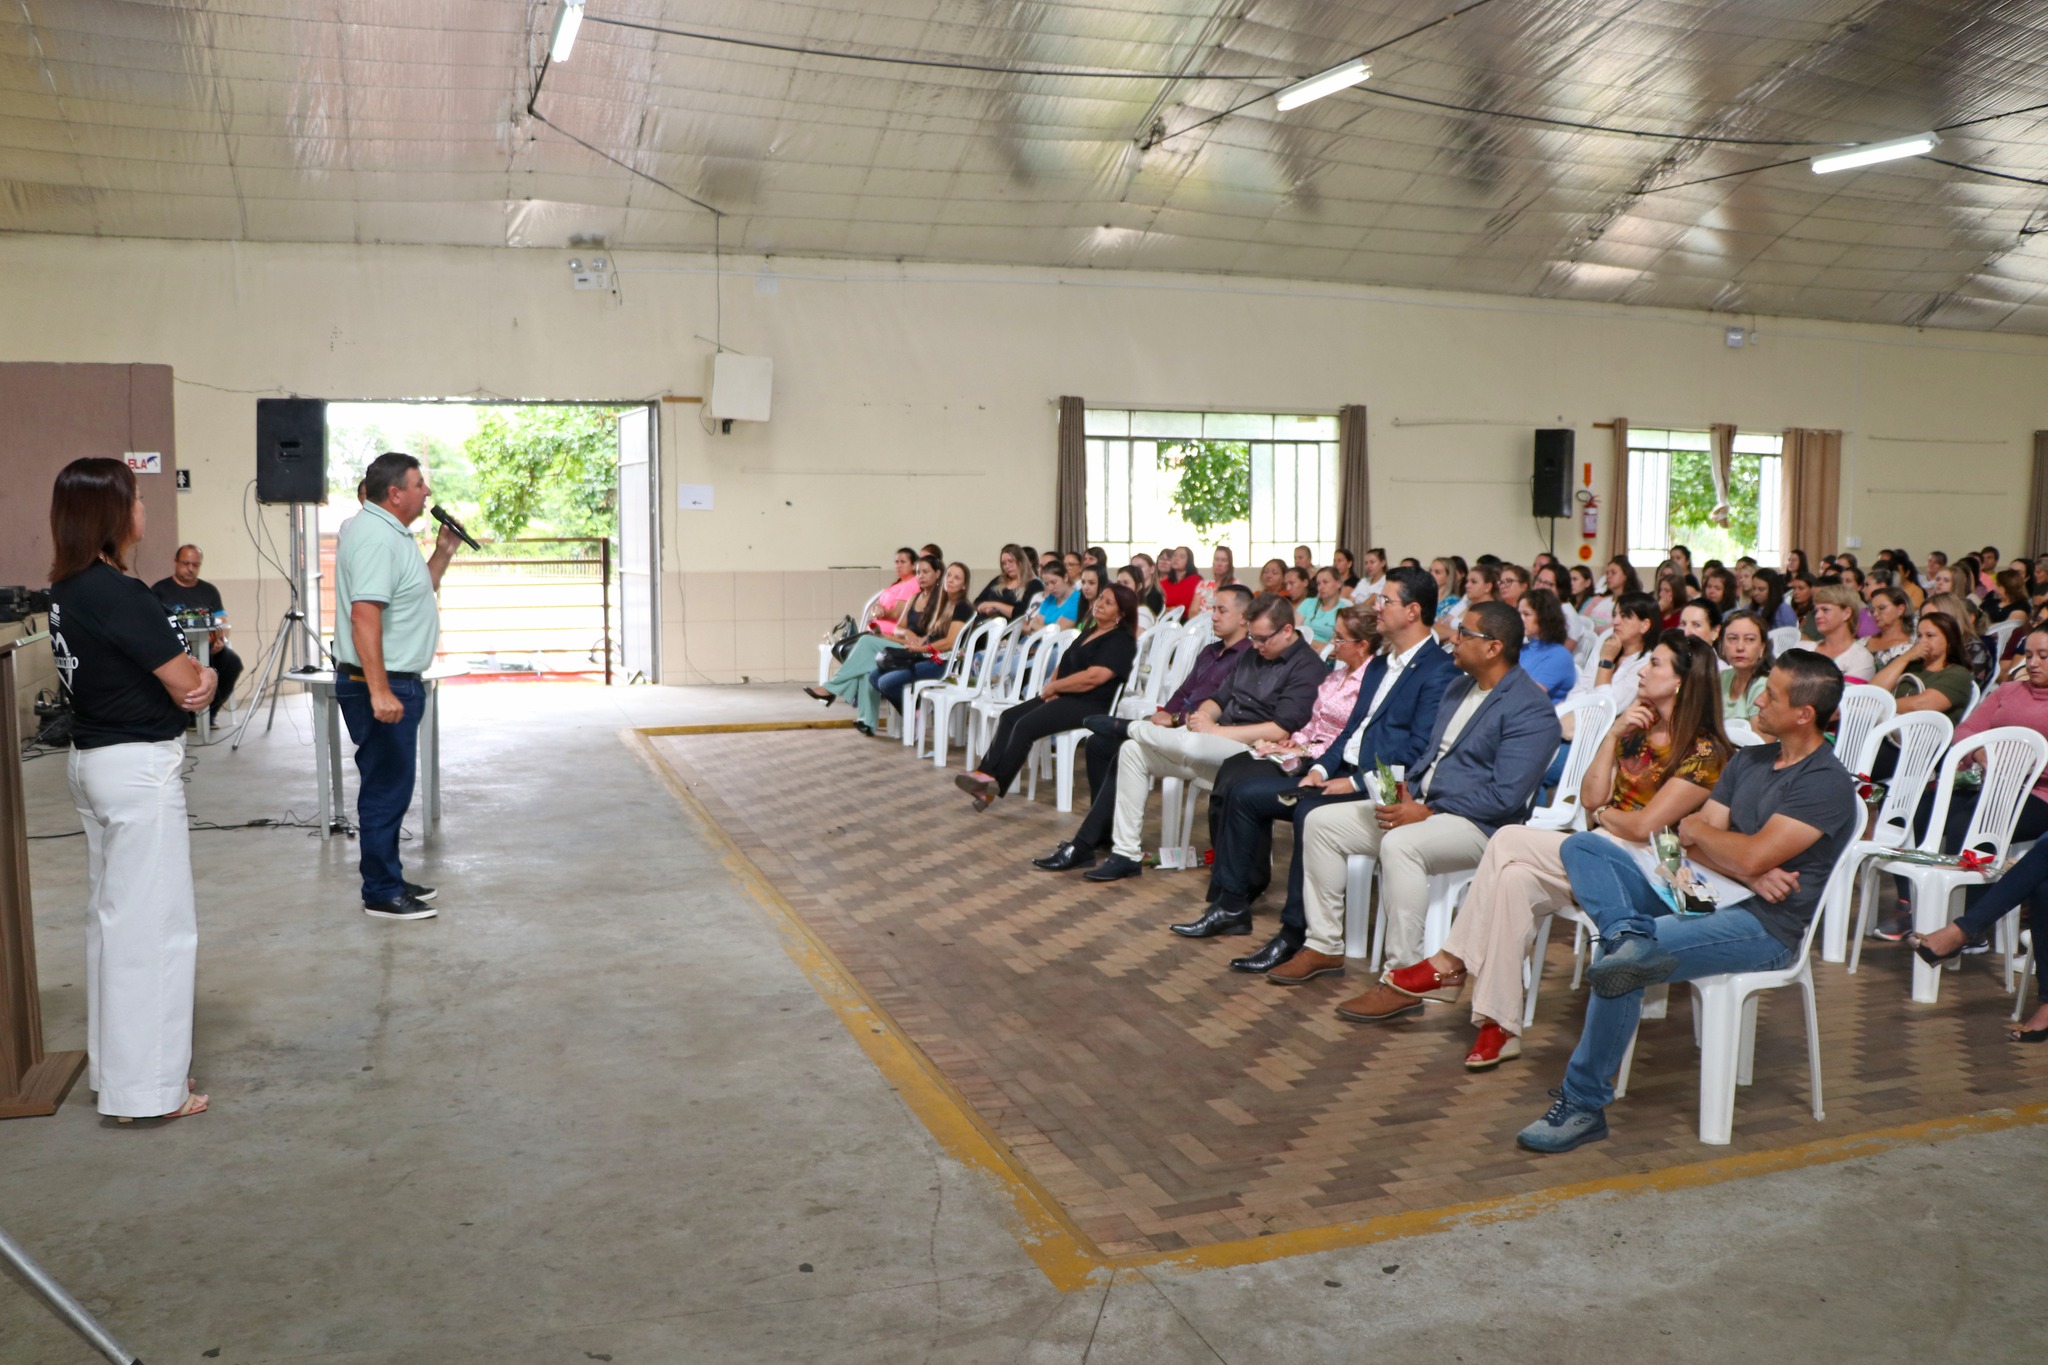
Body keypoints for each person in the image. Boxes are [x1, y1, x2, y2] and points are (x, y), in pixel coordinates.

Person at [1515, 650, 1859, 1153]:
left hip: (1765, 925)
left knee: (1621, 965)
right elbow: (1690, 838)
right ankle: (1627, 933)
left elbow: (1738, 846)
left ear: (1804, 714)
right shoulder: (1751, 758)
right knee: (1582, 845)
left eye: (1773, 695)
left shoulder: (1824, 784)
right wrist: (1743, 862)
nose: (1758, 700)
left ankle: (1583, 1104)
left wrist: (1739, 855)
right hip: (1696, 890)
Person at [1339, 633, 1729, 1065]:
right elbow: (1590, 796)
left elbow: (1641, 827)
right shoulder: (1637, 730)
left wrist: (1605, 819)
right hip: (1601, 852)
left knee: (1507, 838)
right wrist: (1613, 734)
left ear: (1680, 682)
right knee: (1515, 880)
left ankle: (1450, 963)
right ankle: (1500, 1027)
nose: (1641, 669)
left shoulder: (1703, 750)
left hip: (1652, 875)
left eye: (1655, 664)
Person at [1268, 600, 1562, 990]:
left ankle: (1403, 975)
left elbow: (1505, 797)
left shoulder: (1531, 709)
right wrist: (1396, 791)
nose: (1452, 640)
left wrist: (1427, 809)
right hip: (1427, 806)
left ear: (1493, 647)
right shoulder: (1460, 687)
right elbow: (1426, 757)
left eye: (1464, 634)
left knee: (1401, 845)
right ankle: (1324, 945)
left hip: (1480, 825)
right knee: (1321, 821)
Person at [45, 457, 217, 1121]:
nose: (144, 509)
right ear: (113, 514)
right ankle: (149, 1091)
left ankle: (120, 1072)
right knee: (155, 928)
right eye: (137, 498)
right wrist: (194, 681)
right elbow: (185, 679)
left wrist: (191, 680)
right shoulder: (119, 592)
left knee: (112, 924)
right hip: (137, 768)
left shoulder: (67, 587)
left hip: (94, 762)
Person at [1209, 568, 1459, 965]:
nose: (1377, 607)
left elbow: (1417, 751)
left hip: (1384, 784)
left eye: (1386, 601)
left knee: (1310, 812)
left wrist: (1356, 782)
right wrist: (1321, 770)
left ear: (1412, 611)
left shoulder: (1438, 670)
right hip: (1341, 769)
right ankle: (1232, 905)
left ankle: (1296, 934)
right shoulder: (1379, 665)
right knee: (1243, 795)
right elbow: (1350, 731)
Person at [1077, 595, 1328, 883]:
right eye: (1253, 638)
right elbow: (1218, 699)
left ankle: (1128, 727)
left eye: (1262, 639)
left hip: (1253, 752)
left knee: (1189, 742)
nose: (1256, 646)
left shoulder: (1307, 667)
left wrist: (1215, 731)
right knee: (1133, 752)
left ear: (1286, 630)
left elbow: (1278, 730)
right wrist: (1203, 717)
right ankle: (1125, 854)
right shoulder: (1252, 654)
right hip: (1215, 744)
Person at [1165, 605, 1375, 937]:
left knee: (1242, 787)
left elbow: (1349, 739)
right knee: (1234, 774)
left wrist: (1300, 748)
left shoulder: (1369, 682)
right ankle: (1229, 897)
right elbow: (1313, 723)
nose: (1332, 644)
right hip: (1301, 753)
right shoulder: (1337, 675)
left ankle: (1238, 896)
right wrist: (1292, 744)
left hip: (1329, 766)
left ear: (1363, 644)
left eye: (1339, 638)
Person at [1030, 587, 1253, 873]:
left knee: (1125, 745)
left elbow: (1223, 707)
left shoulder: (1246, 658)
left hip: (1201, 736)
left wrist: (1176, 719)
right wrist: (1165, 715)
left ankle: (1085, 842)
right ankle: (1104, 833)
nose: (1213, 616)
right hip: (1171, 727)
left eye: (1222, 610)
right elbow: (1184, 690)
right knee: (1100, 746)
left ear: (1245, 618)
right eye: (1213, 609)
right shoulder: (1210, 651)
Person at [333, 451, 466, 921]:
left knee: (391, 786)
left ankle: (388, 875)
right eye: (419, 484)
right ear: (395, 493)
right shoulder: (374, 538)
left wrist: (443, 553)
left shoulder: (391, 532)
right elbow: (364, 617)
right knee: (386, 791)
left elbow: (414, 592)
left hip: (396, 680)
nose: (426, 491)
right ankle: (381, 893)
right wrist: (379, 690)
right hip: (383, 684)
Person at [954, 585, 1139, 808]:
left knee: (1025, 726)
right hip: (1065, 695)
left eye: (1108, 603)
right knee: (1010, 717)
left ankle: (995, 785)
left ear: (1120, 615)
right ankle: (984, 777)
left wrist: (1057, 687)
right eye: (1101, 598)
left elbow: (1095, 677)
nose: (1099, 604)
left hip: (1089, 704)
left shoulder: (1120, 642)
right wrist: (1052, 687)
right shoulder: (1091, 631)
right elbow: (1065, 662)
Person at [810, 554, 942, 709]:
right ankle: (866, 721)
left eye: (926, 572)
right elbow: (899, 627)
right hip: (898, 641)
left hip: (915, 650)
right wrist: (905, 633)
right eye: (919, 573)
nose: (921, 576)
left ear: (938, 573)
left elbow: (928, 638)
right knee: (866, 664)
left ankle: (831, 688)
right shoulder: (914, 597)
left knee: (866, 643)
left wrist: (896, 635)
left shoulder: (940, 600)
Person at [871, 561, 974, 729]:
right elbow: (934, 634)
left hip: (942, 663)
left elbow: (950, 642)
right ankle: (915, 713)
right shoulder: (943, 603)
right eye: (949, 575)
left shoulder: (962, 607)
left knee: (886, 683)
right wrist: (920, 641)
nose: (950, 580)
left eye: (957, 578)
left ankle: (918, 713)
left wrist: (922, 648)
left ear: (964, 585)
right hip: (926, 656)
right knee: (874, 676)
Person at [149, 543, 243, 723]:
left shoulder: (209, 591)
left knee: (233, 663)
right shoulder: (159, 590)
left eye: (195, 565)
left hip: (208, 648)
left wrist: (220, 639)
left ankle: (207, 715)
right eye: (185, 563)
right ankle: (186, 715)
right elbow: (154, 626)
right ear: (175, 562)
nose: (190, 569)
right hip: (175, 653)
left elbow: (221, 621)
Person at [1869, 609, 1972, 719]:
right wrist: (1905, 657)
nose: (1922, 641)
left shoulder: (1959, 675)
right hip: (1886, 726)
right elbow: (1873, 691)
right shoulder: (1909, 663)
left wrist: (1881, 705)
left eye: (1930, 635)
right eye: (1919, 636)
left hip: (1920, 733)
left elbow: (1921, 705)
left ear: (1950, 641)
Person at [1592, 593, 1658, 706]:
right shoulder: (1607, 644)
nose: (1615, 622)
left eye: (1624, 616)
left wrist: (1606, 662)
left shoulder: (1645, 665)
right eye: (1615, 615)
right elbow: (1580, 687)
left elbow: (1607, 706)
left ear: (1645, 625)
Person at [1516, 589, 1579, 702]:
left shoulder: (1559, 656)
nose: (1520, 619)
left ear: (1544, 617)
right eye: (1519, 613)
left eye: (1526, 614)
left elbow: (1527, 697)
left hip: (1540, 716)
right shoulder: (1523, 648)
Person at [1808, 583, 1876, 681]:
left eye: (1825, 610)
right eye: (1816, 611)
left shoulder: (1860, 658)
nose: (1817, 616)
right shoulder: (1804, 647)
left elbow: (1847, 695)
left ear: (1846, 613)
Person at [1718, 609, 1772, 721]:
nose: (1740, 647)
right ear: (1722, 646)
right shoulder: (1722, 677)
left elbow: (1760, 738)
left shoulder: (1766, 686)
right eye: (1732, 638)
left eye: (1749, 639)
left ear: (1762, 647)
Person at [972, 544, 1040, 621]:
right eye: (1004, 563)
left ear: (1021, 562)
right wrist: (985, 609)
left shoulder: (1033, 584)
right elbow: (977, 602)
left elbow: (1023, 613)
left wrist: (996, 605)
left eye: (1011, 561)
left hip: (1010, 628)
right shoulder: (998, 580)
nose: (1007, 566)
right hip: (985, 623)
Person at [867, 547, 922, 637]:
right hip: (877, 628)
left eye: (903, 562)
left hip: (894, 632)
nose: (898, 565)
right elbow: (879, 606)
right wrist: (876, 609)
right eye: (897, 562)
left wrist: (881, 613)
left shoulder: (912, 583)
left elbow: (897, 613)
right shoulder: (897, 584)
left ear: (913, 565)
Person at [1864, 586, 1915, 667]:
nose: (1875, 614)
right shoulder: (1864, 641)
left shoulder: (1910, 648)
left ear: (1900, 609)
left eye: (1881, 608)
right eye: (1872, 610)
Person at [1299, 567, 1345, 643]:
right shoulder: (1308, 603)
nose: (1321, 587)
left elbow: (1340, 643)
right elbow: (1295, 630)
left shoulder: (1345, 611)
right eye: (1318, 583)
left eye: (1325, 582)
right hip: (1302, 648)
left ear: (1338, 584)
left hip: (1328, 652)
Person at [1191, 547, 1238, 617]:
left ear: (1229, 564)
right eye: (1216, 559)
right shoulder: (1203, 585)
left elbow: (1234, 612)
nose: (1219, 564)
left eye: (1224, 560)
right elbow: (1193, 611)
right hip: (1200, 624)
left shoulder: (1235, 585)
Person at [1159, 546, 1203, 616]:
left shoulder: (1196, 580)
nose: (1176, 559)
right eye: (1174, 556)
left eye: (1182, 557)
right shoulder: (1162, 584)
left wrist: (1177, 610)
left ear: (1189, 561)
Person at [1114, 565, 1158, 631]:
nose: (1121, 587)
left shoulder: (1142, 613)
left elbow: (1136, 639)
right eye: (1119, 583)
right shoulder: (1122, 610)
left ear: (1139, 587)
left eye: (1126, 583)